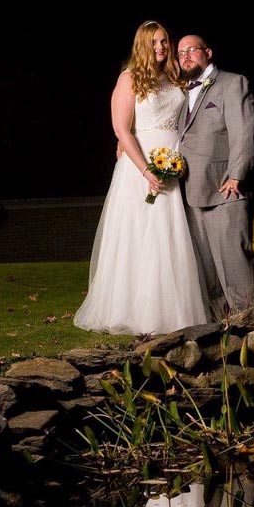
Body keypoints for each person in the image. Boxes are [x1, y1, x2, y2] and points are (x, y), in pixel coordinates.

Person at [74, 20, 207, 336]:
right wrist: (146, 169)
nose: (160, 48)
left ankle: (176, 311)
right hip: (140, 165)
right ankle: (137, 311)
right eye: (154, 43)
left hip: (174, 161)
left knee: (173, 235)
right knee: (144, 237)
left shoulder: (175, 78)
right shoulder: (129, 78)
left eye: (164, 41)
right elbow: (121, 129)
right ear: (142, 45)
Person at [177, 34, 254, 318]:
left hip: (226, 189)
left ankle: (252, 324)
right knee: (209, 270)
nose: (185, 56)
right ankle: (224, 332)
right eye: (181, 53)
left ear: (208, 52)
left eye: (192, 50)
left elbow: (244, 131)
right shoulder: (184, 92)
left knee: (234, 263)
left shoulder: (232, 83)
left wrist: (237, 174)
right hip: (192, 192)